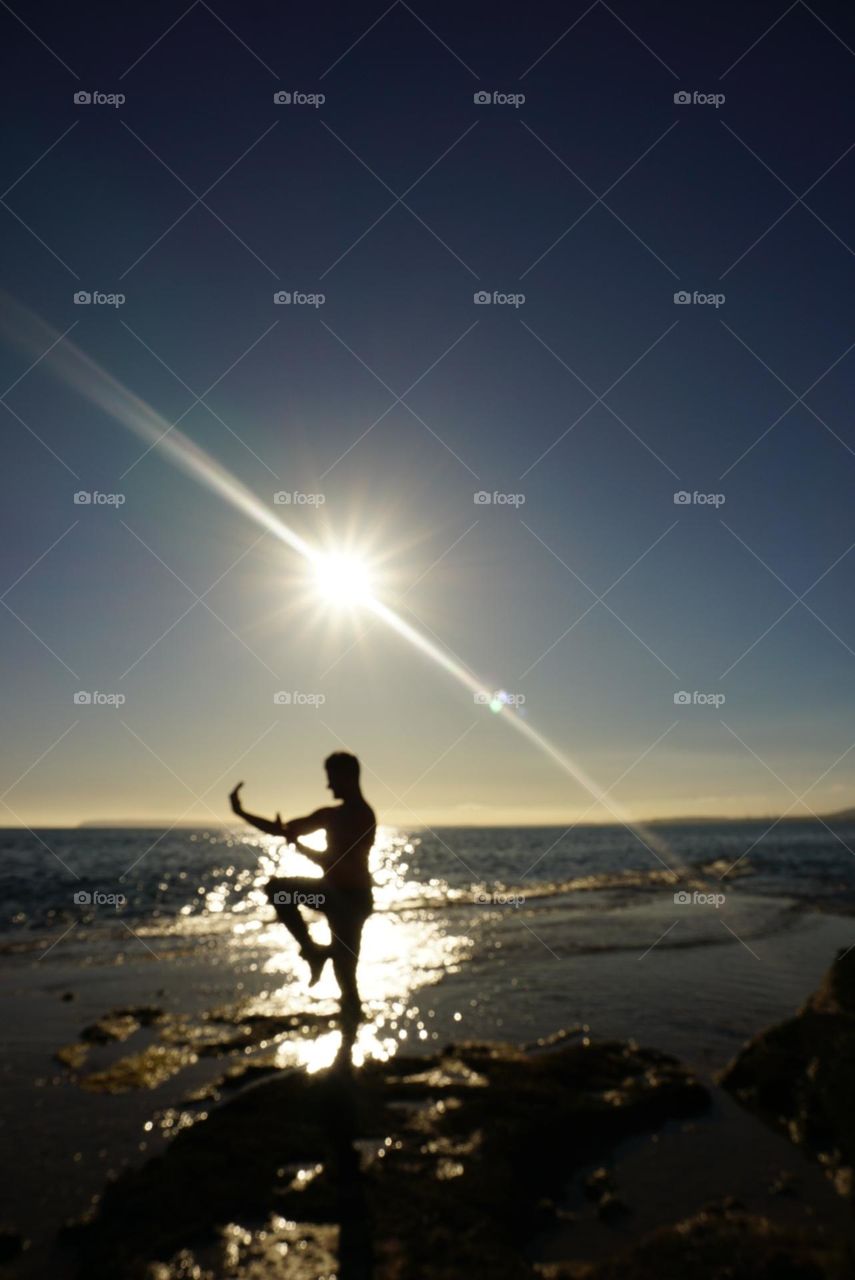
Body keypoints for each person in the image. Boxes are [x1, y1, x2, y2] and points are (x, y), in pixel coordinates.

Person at [229, 752, 375, 1031]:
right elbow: (282, 829)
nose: (329, 787)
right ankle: (312, 951)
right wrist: (241, 813)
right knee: (277, 889)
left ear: (347, 777)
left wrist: (300, 847)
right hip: (330, 895)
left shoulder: (359, 816)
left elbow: (338, 863)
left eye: (332, 779)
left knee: (346, 971)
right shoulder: (332, 814)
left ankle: (351, 1035)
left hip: (352, 901)